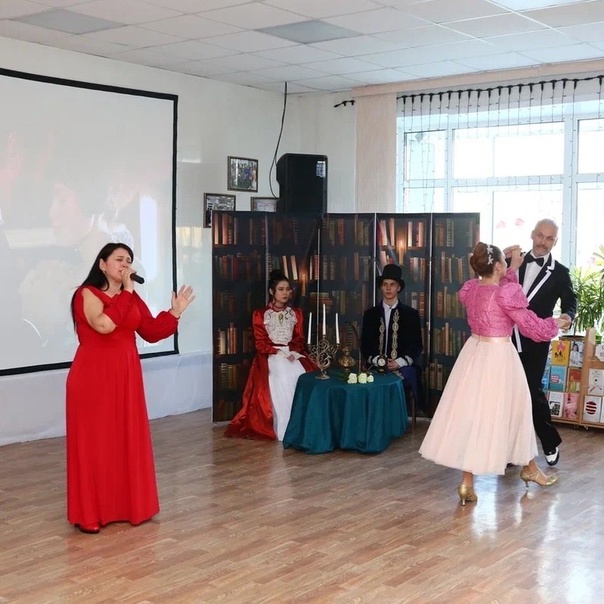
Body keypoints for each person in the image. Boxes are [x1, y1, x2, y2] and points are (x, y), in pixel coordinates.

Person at [419, 243, 567, 505]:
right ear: (498, 266)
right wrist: (557, 323)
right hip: (499, 357)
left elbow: (497, 286)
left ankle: (467, 482)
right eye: (504, 263)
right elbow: (532, 327)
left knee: (474, 415)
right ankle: (530, 468)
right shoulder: (505, 294)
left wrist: (511, 268)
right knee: (516, 411)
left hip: (474, 354)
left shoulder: (473, 289)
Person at [66, 242, 194, 534]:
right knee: (94, 445)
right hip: (92, 379)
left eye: (129, 260)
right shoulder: (87, 293)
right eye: (119, 259)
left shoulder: (131, 298)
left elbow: (151, 331)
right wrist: (126, 292)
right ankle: (90, 514)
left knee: (124, 440)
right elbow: (103, 325)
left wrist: (174, 313)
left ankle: (126, 507)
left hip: (126, 378)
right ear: (102, 264)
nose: (125, 265)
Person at [504, 219, 576, 467]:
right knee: (509, 393)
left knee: (530, 390)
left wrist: (567, 316)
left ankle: (548, 441)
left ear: (555, 241)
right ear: (532, 234)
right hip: (506, 338)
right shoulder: (512, 261)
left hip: (535, 341)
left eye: (549, 238)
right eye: (540, 236)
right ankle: (511, 451)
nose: (543, 242)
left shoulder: (560, 273)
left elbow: (570, 302)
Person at [225, 269, 315, 441]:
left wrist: (293, 352)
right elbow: (260, 343)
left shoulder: (296, 313)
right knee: (281, 375)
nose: (285, 293)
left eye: (287, 289)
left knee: (302, 375)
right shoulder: (260, 314)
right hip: (271, 355)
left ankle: (302, 425)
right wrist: (278, 352)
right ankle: (285, 426)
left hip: (291, 353)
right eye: (281, 289)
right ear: (272, 291)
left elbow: (299, 339)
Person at [361, 263, 424, 408]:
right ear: (381, 287)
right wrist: (377, 360)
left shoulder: (411, 314)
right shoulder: (370, 314)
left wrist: (399, 362)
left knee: (405, 378)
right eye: (385, 284)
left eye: (392, 284)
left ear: (398, 287)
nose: (388, 288)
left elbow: (416, 345)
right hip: (375, 366)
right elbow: (365, 343)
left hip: (402, 366)